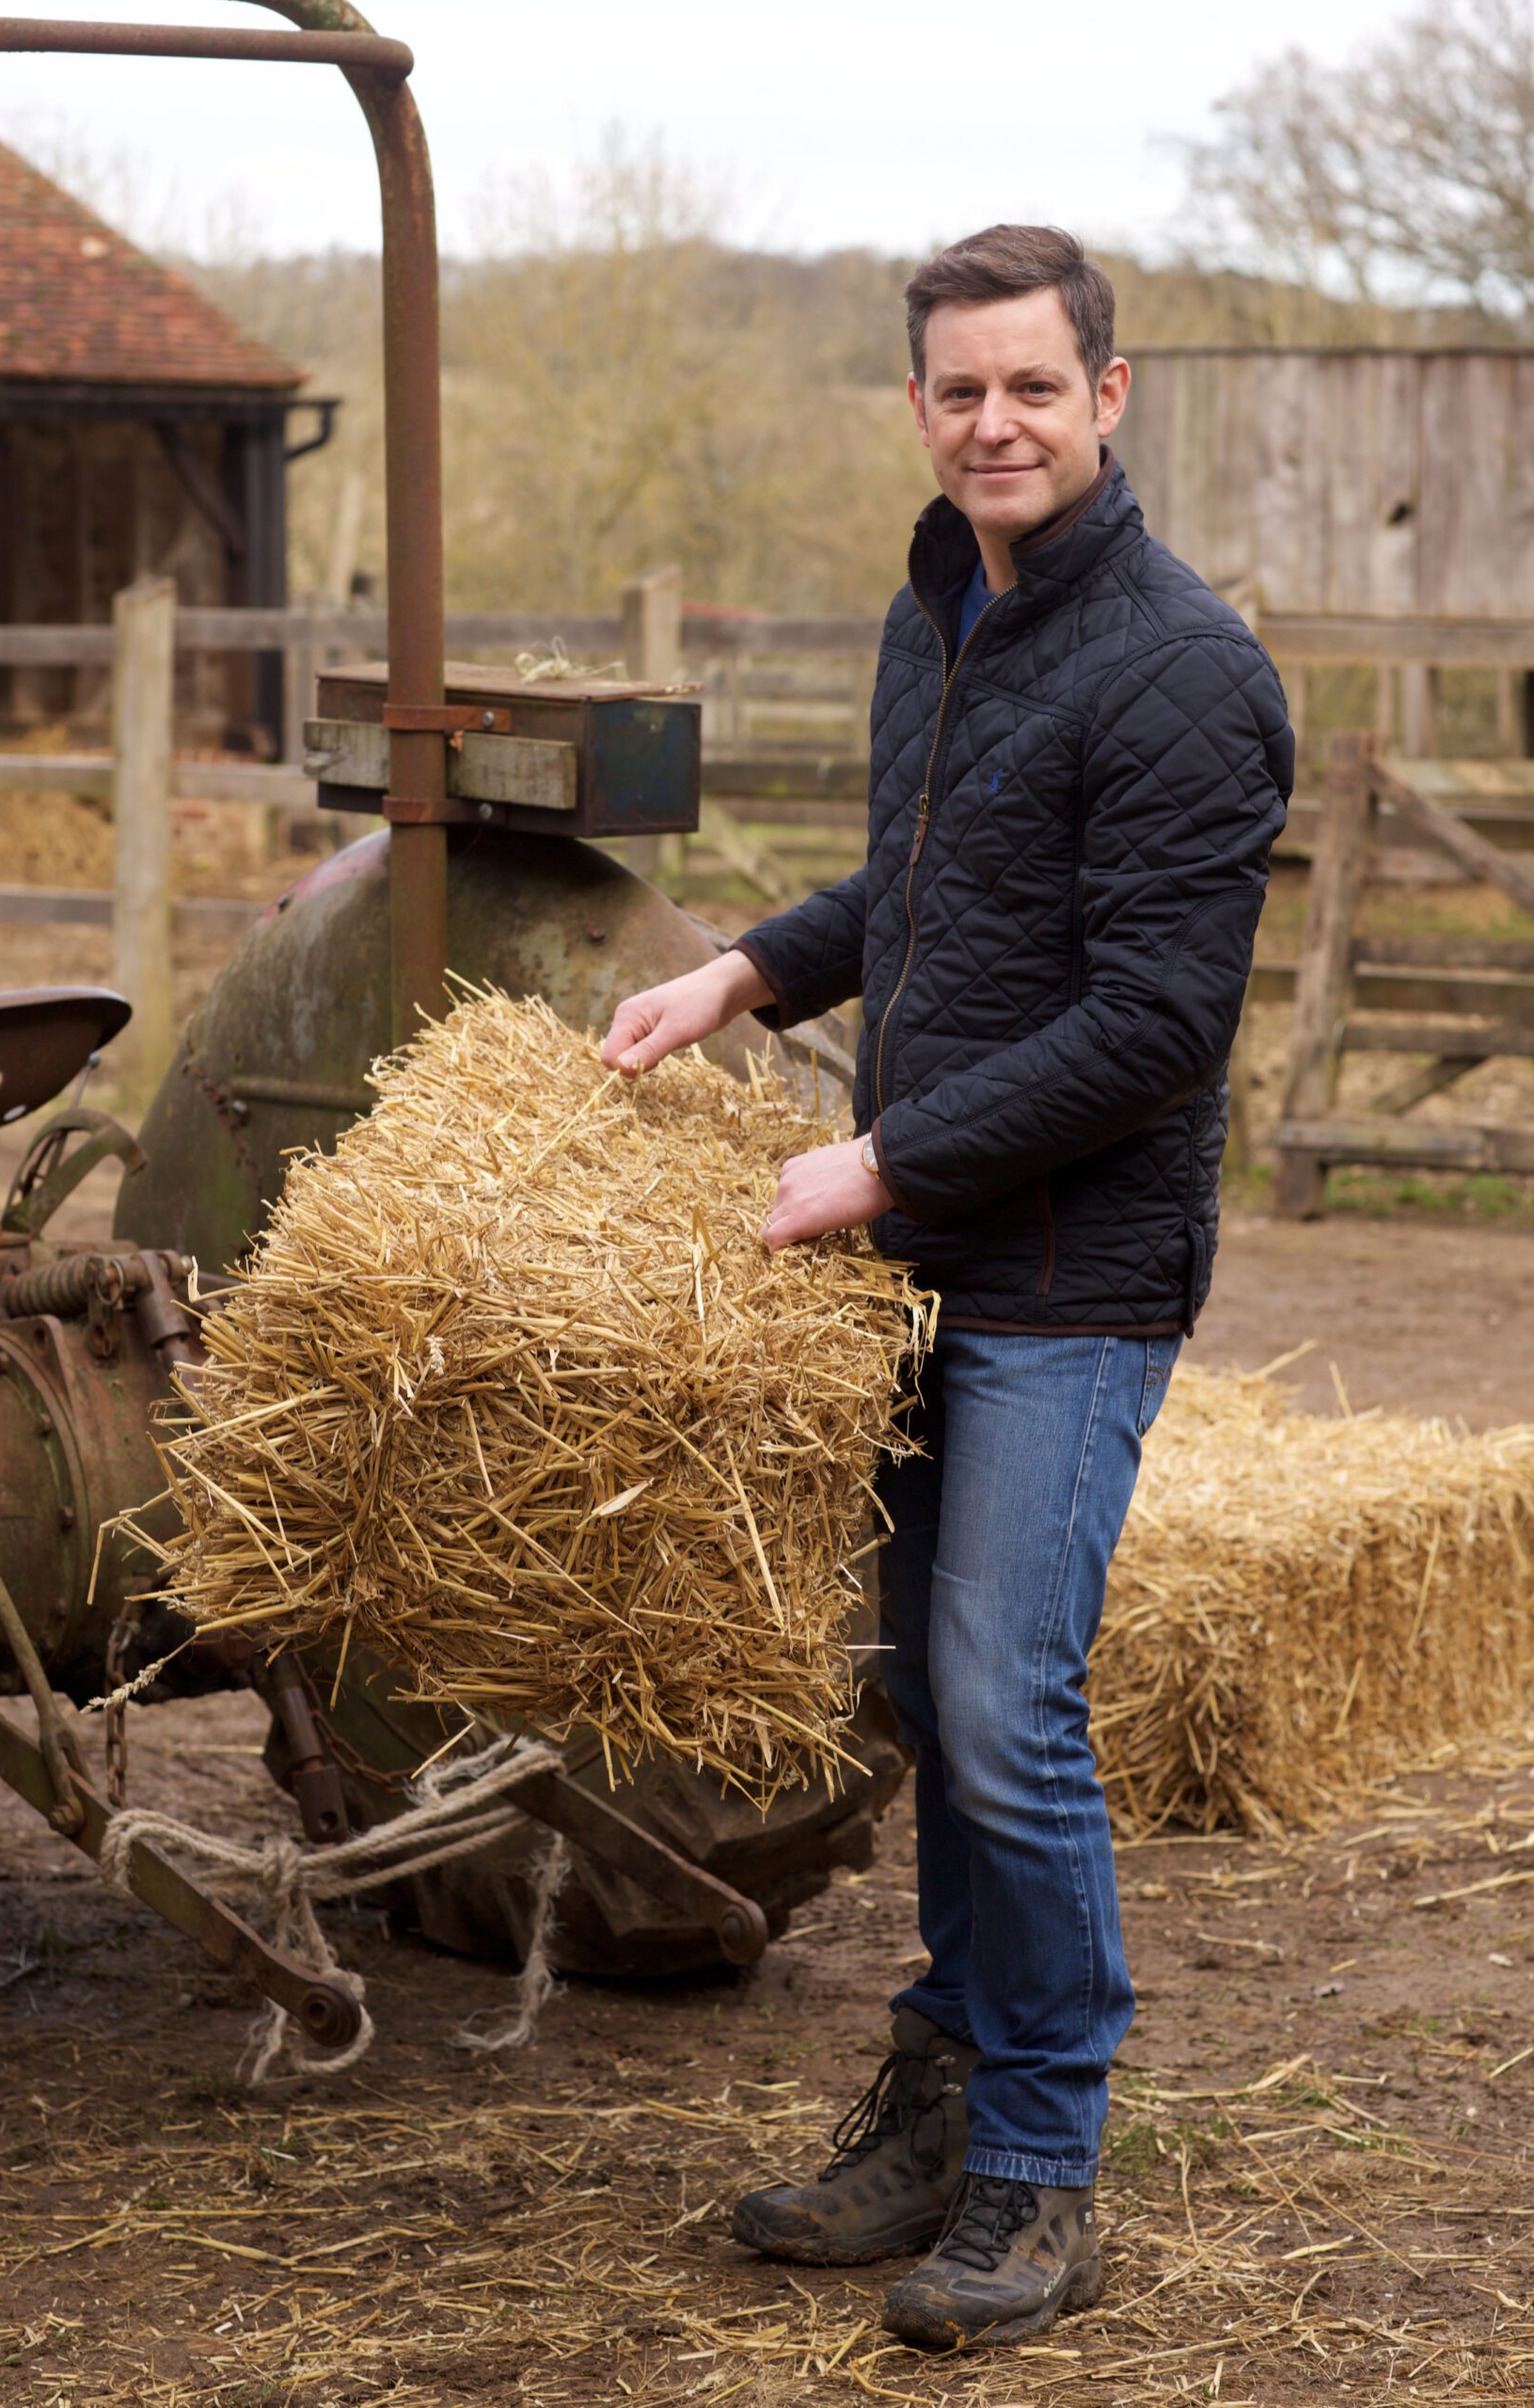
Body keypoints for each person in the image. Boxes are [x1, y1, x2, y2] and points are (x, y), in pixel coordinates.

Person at [600, 223, 1293, 2353]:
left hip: (1068, 1276)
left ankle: (1040, 2166)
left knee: (1003, 1708)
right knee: (922, 1692)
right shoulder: (944, 611)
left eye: (1031, 386)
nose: (995, 422)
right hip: (920, 1265)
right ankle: (938, 2105)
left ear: (1108, 395)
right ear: (919, 406)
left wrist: (885, 1156)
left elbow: (1159, 1019)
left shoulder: (1184, 670)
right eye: (959, 389)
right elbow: (927, 894)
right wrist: (742, 969)